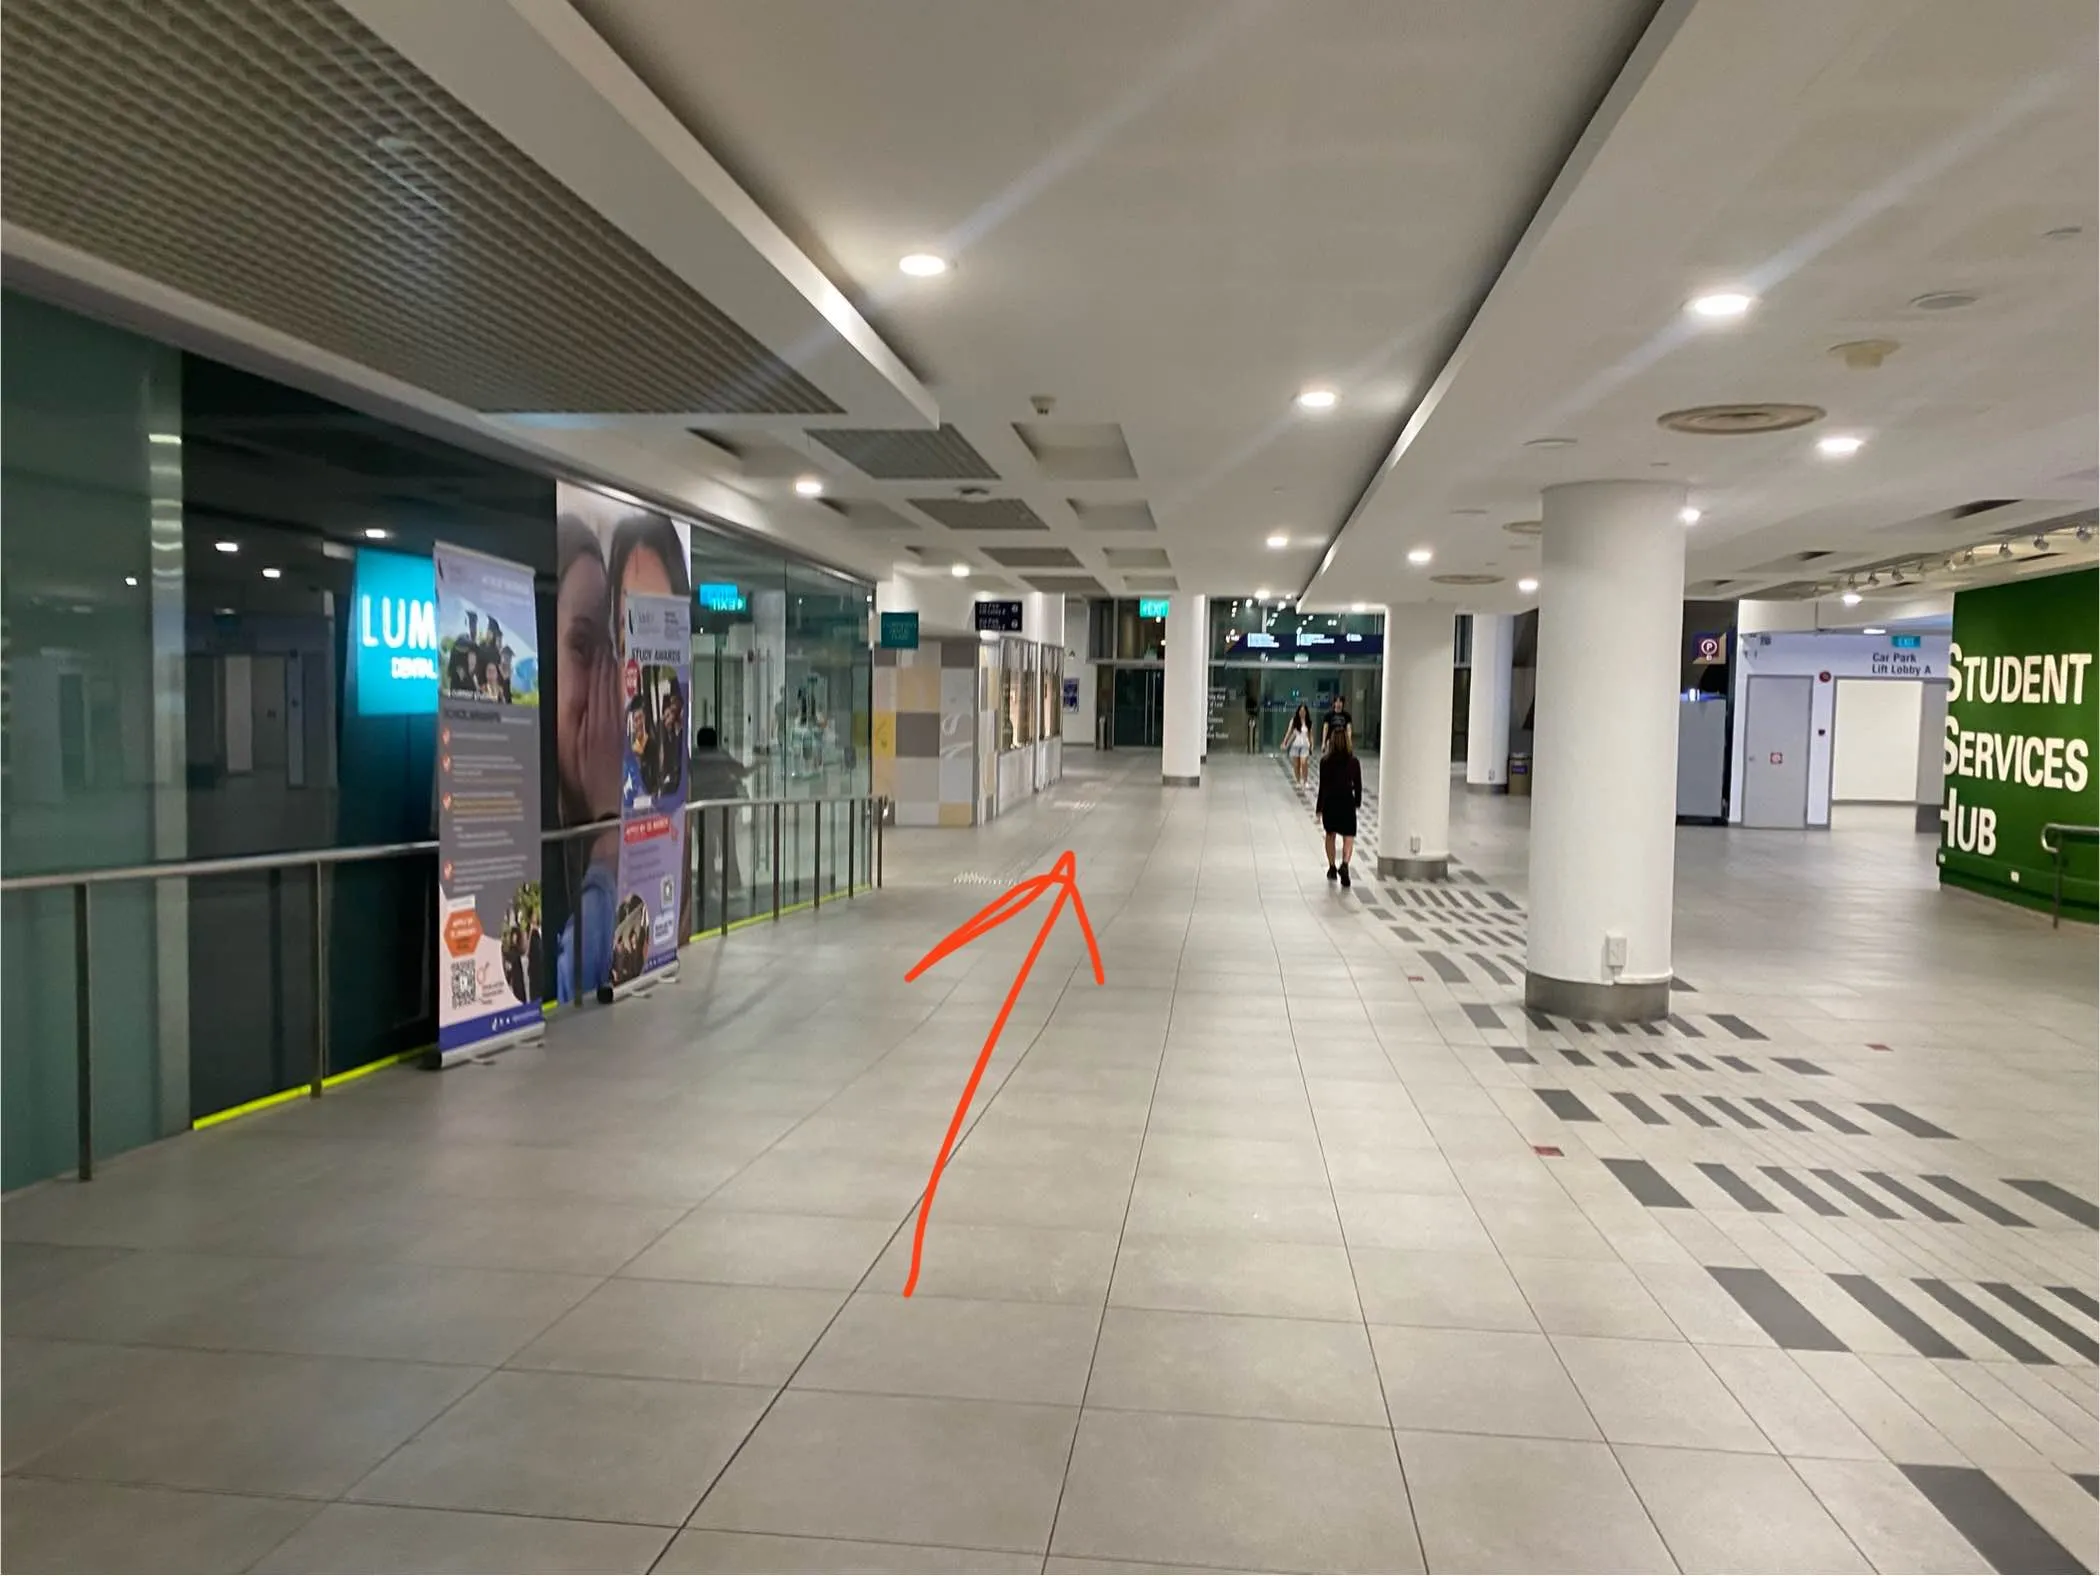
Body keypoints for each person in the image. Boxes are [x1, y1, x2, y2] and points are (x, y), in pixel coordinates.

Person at [1318, 723, 1363, 888]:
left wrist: (1319, 807)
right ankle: (1344, 864)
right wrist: (1357, 802)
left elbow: (1323, 786)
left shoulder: (1325, 762)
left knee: (1330, 834)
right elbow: (1358, 785)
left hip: (1330, 802)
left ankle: (1331, 867)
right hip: (1346, 801)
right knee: (1348, 836)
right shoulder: (1353, 762)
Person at [1283, 702, 1314, 786]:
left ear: (1306, 712)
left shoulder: (1309, 722)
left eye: (1304, 711)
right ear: (1298, 711)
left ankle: (1305, 781)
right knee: (1296, 765)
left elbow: (1310, 735)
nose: (1302, 713)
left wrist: (1312, 745)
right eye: (1300, 711)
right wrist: (1285, 742)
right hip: (1295, 745)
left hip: (1305, 745)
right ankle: (1298, 780)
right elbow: (1289, 732)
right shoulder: (1294, 721)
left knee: (1304, 763)